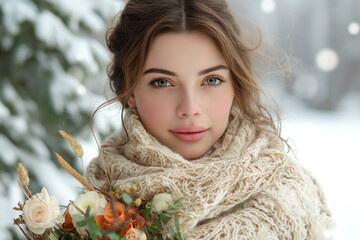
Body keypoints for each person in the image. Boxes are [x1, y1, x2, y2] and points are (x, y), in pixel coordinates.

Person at [86, 0, 335, 239]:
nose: (190, 108)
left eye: (211, 80)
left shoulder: (291, 198)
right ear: (129, 90)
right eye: (162, 82)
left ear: (235, 84)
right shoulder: (93, 204)